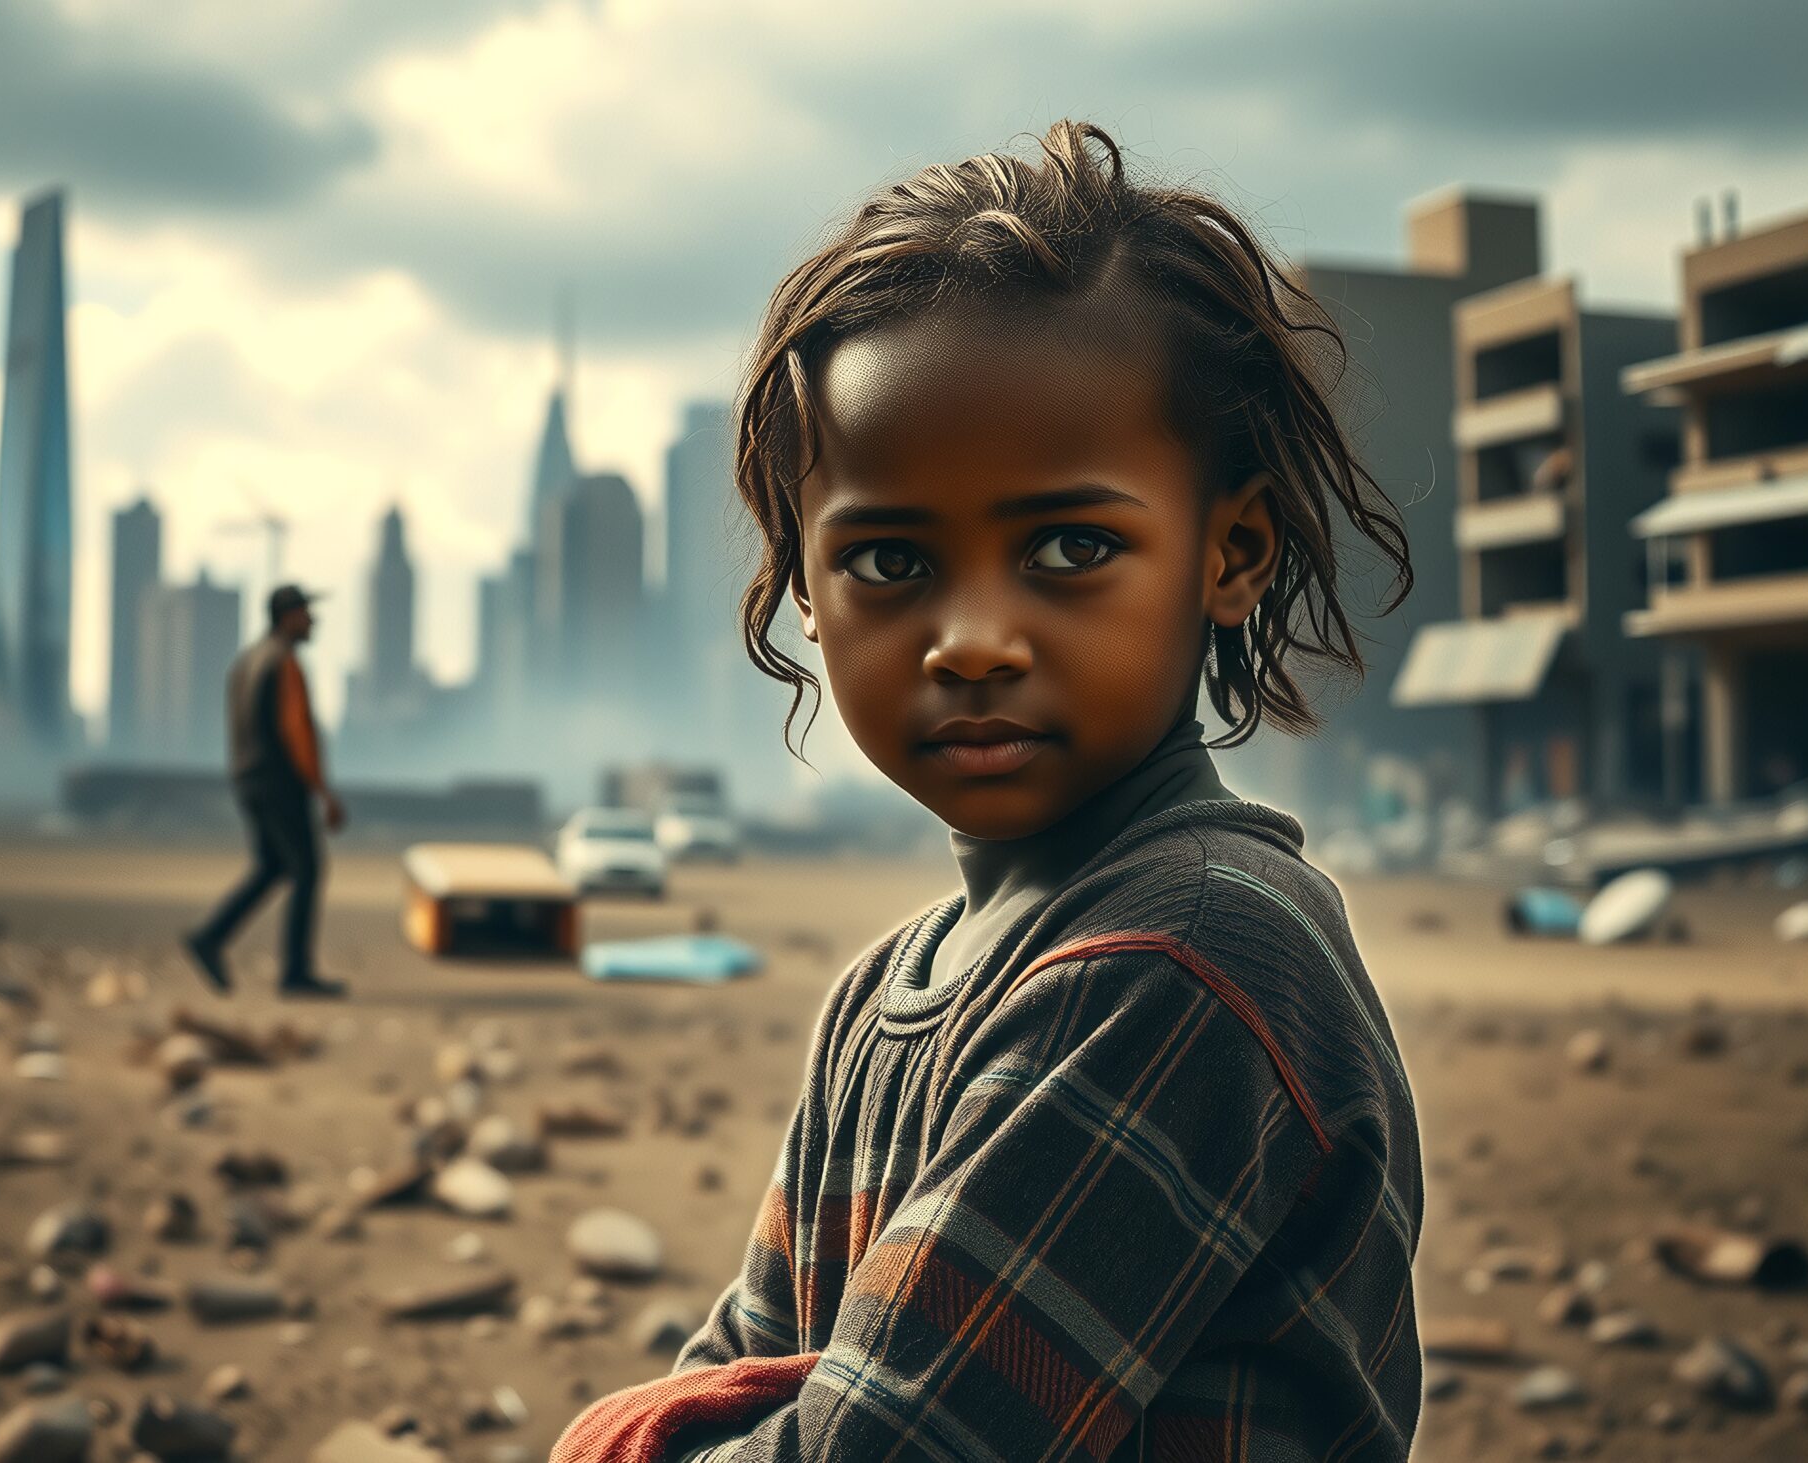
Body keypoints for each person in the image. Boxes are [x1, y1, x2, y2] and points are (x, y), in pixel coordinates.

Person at [550, 122, 1423, 1461]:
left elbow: (881, 1446)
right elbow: (733, 1371)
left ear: (1229, 549)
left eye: (1070, 545)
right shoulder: (884, 988)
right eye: (892, 562)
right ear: (807, 592)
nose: (971, 639)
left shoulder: (1190, 954)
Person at [184, 584, 349, 998]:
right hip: (280, 783)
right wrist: (323, 791)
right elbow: (297, 731)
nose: (313, 621)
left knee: (273, 867)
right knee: (308, 870)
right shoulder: (283, 662)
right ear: (288, 616)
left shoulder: (246, 662)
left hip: (247, 779)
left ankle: (210, 938)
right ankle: (295, 972)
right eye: (306, 613)